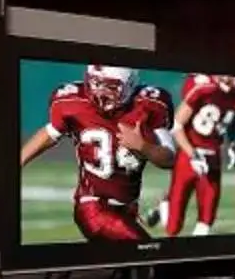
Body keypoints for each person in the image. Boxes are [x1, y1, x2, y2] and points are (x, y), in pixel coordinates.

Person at [18, 66, 174, 244]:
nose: (100, 93)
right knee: (146, 252)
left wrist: (143, 146)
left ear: (129, 86)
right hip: (93, 207)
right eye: (95, 84)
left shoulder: (150, 105)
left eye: (111, 87)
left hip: (128, 208)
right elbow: (50, 133)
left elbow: (169, 159)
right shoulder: (73, 102)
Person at [161, 73, 235, 236]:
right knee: (173, 226)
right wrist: (193, 154)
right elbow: (177, 125)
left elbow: (230, 118)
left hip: (213, 156)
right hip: (189, 155)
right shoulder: (203, 88)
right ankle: (166, 201)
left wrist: (232, 143)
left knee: (207, 219)